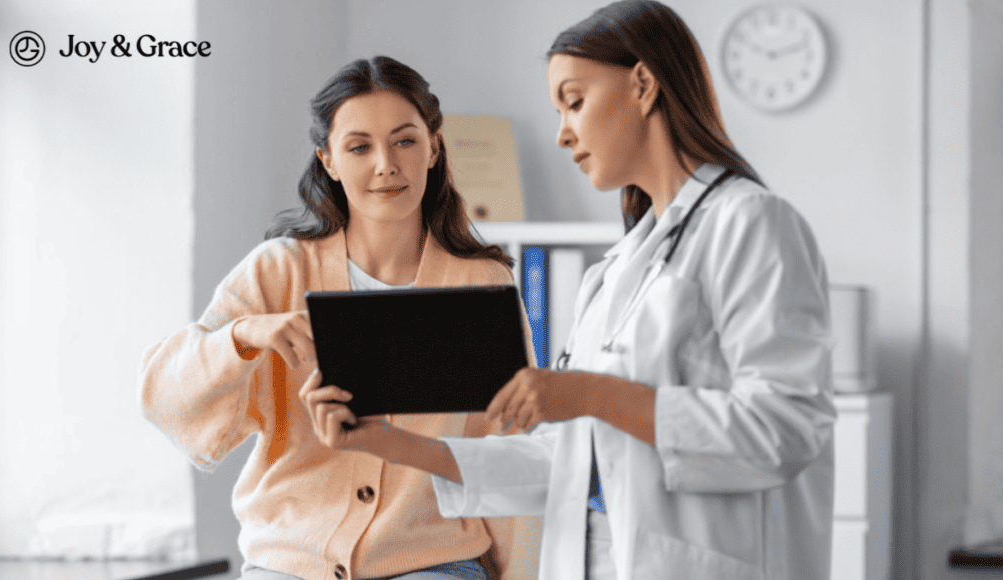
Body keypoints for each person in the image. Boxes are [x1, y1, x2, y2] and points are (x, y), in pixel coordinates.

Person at [301, 2, 836, 580]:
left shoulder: (750, 222)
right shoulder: (614, 270)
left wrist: (588, 394)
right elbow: (568, 463)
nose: (561, 134)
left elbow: (785, 429)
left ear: (643, 84)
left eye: (574, 101)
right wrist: (389, 443)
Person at [138, 56, 542, 580]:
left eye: (404, 140)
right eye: (359, 146)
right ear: (327, 159)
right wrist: (244, 335)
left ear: (434, 147)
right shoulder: (279, 269)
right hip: (289, 562)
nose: (385, 164)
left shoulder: (481, 282)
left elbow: (508, 452)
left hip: (432, 562)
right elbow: (165, 399)